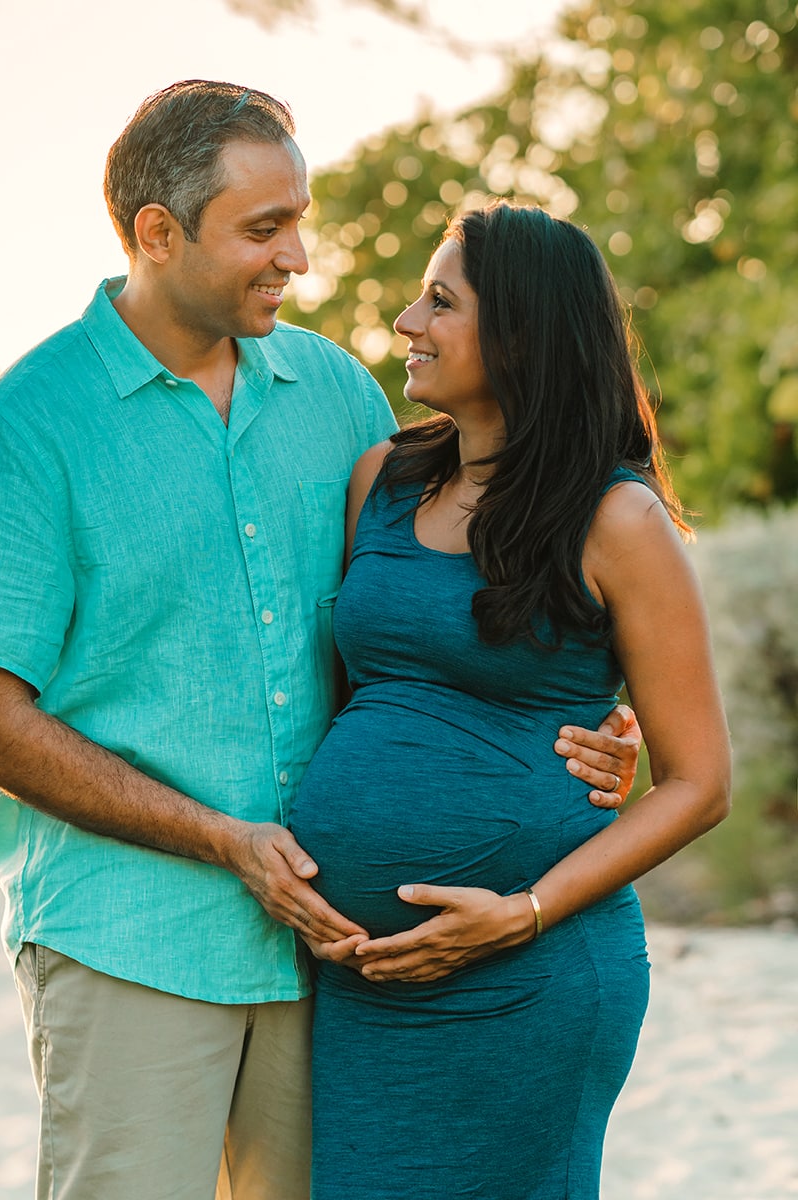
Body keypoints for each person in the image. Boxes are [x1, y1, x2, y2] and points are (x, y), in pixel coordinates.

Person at [0, 83, 641, 1200]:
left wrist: (582, 718)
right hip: (131, 939)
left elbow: (428, 617)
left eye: (298, 219)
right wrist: (219, 838)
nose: (296, 255)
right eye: (263, 229)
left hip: (336, 956)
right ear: (159, 232)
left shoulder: (338, 395)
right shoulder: (28, 429)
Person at [289, 202, 732, 1200]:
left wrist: (522, 912)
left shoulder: (618, 519)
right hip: (367, 985)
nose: (406, 321)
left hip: (530, 978)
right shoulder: (383, 481)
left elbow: (700, 783)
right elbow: (376, 705)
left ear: (522, 332)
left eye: (440, 302)